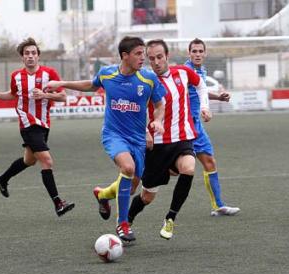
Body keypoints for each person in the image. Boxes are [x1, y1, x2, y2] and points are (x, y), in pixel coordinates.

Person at [46, 36, 166, 243]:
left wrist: (158, 122)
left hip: (138, 139)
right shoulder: (107, 74)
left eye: (143, 54)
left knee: (133, 185)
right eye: (138, 54)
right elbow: (90, 85)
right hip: (113, 135)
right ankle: (123, 223)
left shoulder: (148, 79)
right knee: (127, 169)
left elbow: (160, 105)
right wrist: (62, 83)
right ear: (124, 56)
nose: (143, 58)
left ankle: (102, 195)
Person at [127, 39, 211, 240]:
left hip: (183, 138)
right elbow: (135, 111)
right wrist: (145, 131)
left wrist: (204, 107)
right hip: (156, 145)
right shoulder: (144, 81)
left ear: (167, 56)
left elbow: (201, 86)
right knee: (147, 196)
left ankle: (170, 218)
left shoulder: (183, 72)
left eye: (159, 57)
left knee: (189, 168)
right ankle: (127, 220)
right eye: (151, 58)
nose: (156, 62)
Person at [0, 37, 75, 217]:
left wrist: (44, 95)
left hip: (43, 124)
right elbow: (11, 95)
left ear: (38, 56)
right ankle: (58, 203)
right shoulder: (16, 76)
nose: (30, 56)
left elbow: (63, 96)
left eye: (33, 53)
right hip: (27, 123)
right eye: (27, 53)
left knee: (29, 160)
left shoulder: (49, 73)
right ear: (22, 57)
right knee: (46, 161)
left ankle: (2, 179)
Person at [184, 38, 240, 216]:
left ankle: (218, 205)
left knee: (210, 162)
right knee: (171, 171)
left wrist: (218, 97)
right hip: (184, 126)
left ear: (205, 53)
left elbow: (200, 91)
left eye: (201, 51)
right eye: (195, 51)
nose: (198, 54)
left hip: (196, 125)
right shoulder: (185, 72)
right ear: (189, 53)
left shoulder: (201, 70)